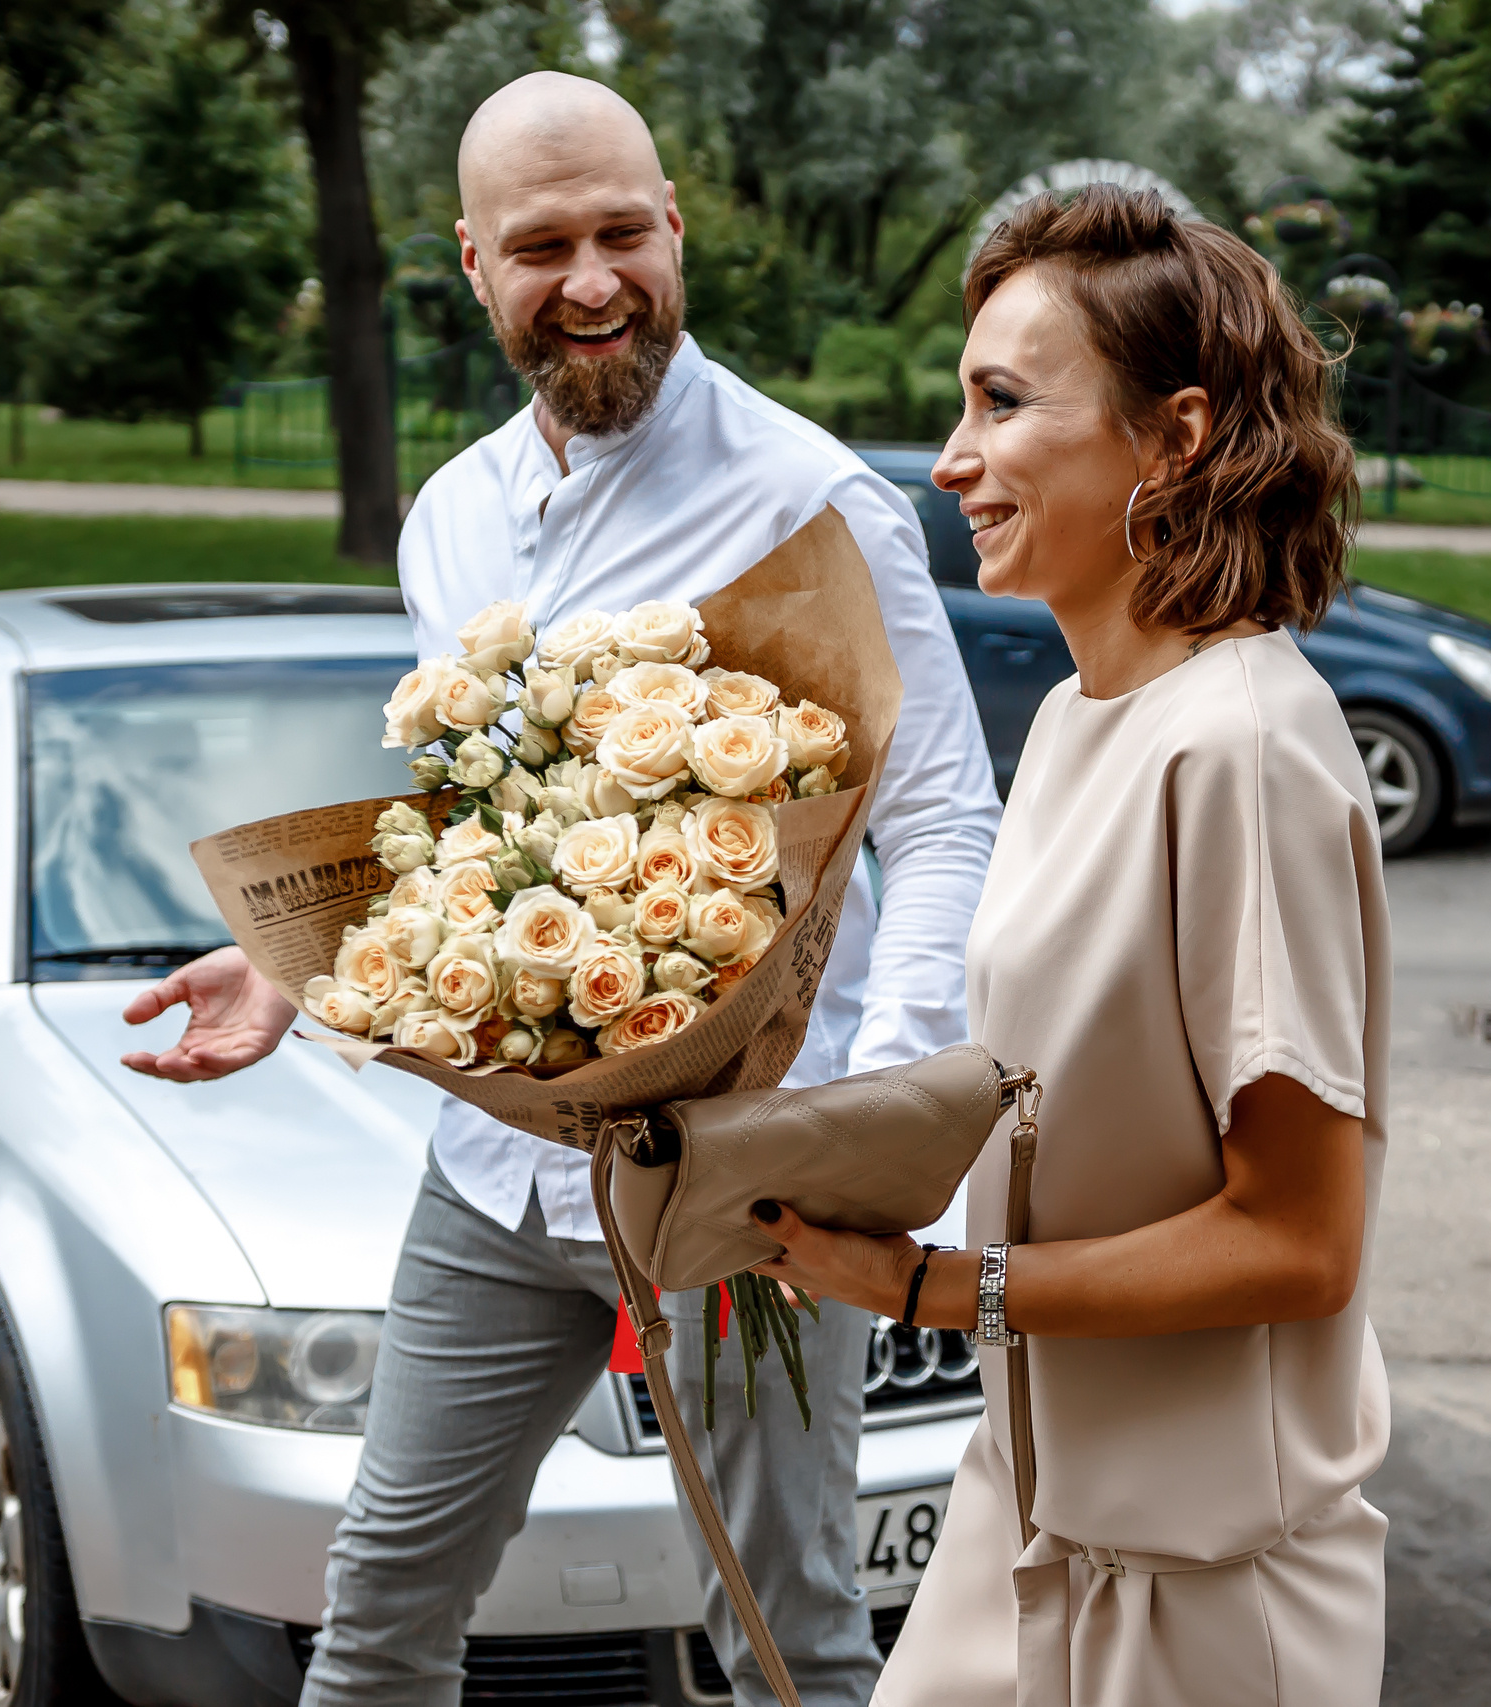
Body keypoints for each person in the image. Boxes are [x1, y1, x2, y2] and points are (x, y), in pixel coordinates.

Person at [115, 71, 1001, 1707]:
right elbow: (478, 826)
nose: (590, 281)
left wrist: (881, 1118)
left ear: (676, 230)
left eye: (620, 234)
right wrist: (303, 960)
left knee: (782, 1640)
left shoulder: (814, 501)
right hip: (496, 1181)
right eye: (542, 247)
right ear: (474, 266)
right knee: (378, 1616)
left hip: (751, 1180)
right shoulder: (449, 517)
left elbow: (945, 821)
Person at [744, 186, 1392, 1707]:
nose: (952, 457)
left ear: (1175, 438)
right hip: (1026, 1513)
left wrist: (933, 1289)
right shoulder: (1075, 715)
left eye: (1002, 402)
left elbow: (1300, 1239)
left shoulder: (1242, 745)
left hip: (1205, 1595)